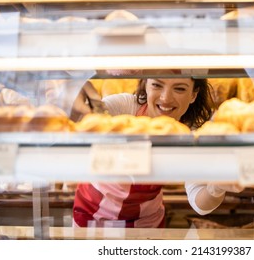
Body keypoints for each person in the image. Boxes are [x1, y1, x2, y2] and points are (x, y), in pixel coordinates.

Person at [72, 71, 215, 228]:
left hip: (146, 221)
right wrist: (76, 86)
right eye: (156, 85)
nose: (166, 98)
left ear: (194, 95)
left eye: (179, 89)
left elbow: (200, 205)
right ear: (145, 85)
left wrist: (218, 187)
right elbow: (80, 123)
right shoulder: (123, 107)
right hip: (93, 214)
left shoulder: (190, 134)